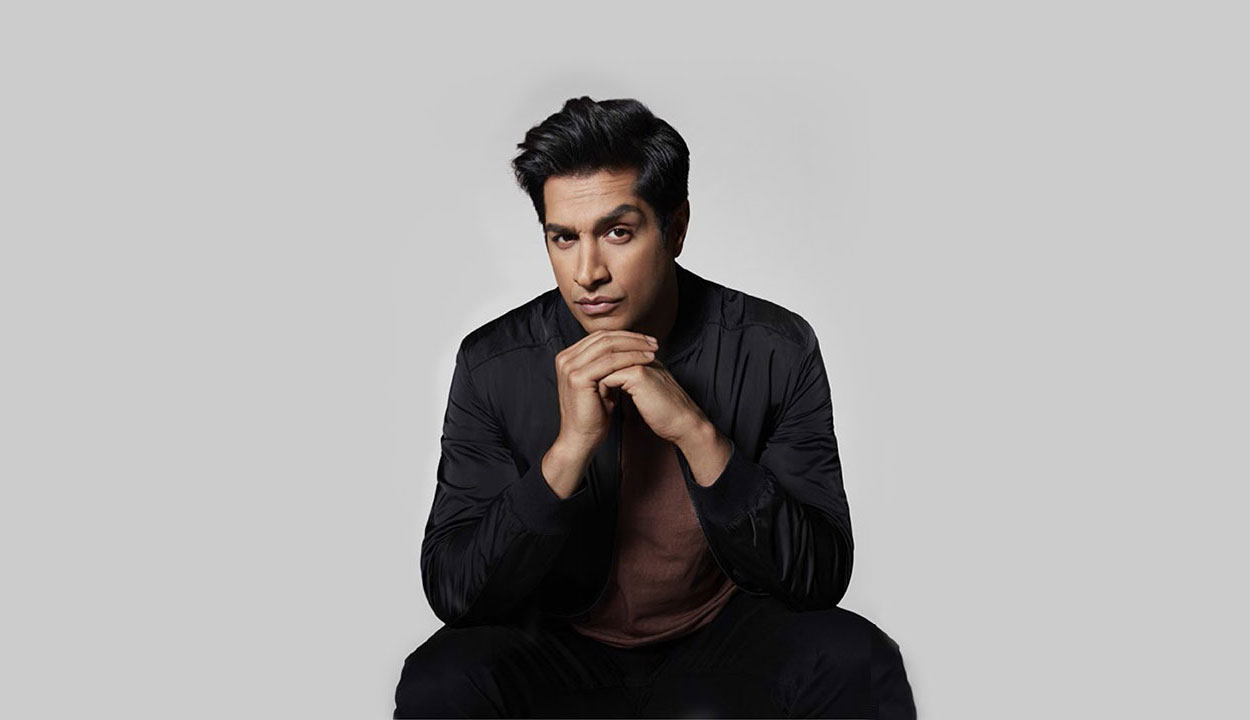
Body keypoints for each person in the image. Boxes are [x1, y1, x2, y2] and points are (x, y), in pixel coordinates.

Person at [393, 96, 916, 718]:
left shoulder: (774, 346)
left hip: (723, 642)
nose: (587, 272)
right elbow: (457, 593)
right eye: (564, 238)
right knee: (439, 680)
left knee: (859, 659)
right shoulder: (493, 363)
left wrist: (698, 435)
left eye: (617, 232)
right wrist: (567, 454)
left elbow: (818, 576)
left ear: (675, 228)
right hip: (558, 646)